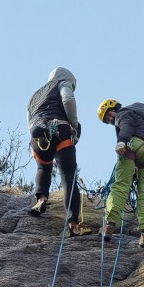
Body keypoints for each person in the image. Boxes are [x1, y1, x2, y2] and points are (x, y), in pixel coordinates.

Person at [26, 67, 89, 236]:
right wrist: (74, 123)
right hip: (60, 130)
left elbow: (29, 118)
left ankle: (41, 200)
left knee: (43, 168)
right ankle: (73, 223)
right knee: (68, 175)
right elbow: (68, 100)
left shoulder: (35, 94)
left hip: (38, 136)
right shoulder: (63, 83)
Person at [96, 99, 144, 248]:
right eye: (108, 120)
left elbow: (126, 125)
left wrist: (121, 141)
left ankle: (109, 225)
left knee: (120, 185)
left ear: (115, 108)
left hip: (132, 145)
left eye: (110, 114)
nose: (111, 119)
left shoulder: (124, 113)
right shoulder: (140, 119)